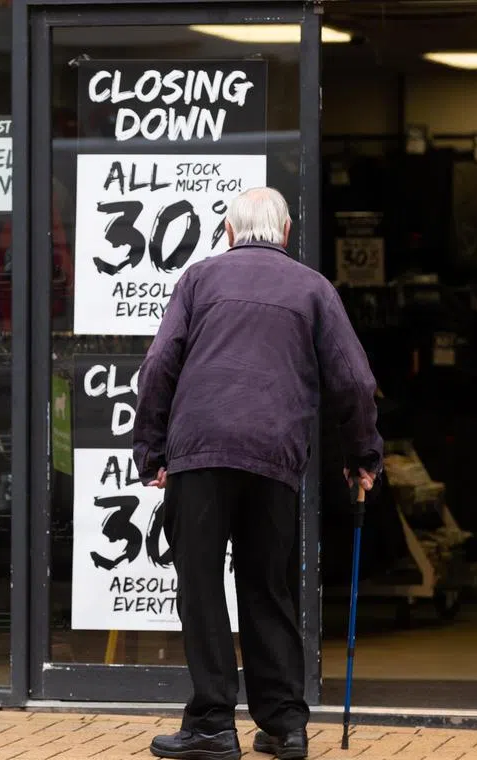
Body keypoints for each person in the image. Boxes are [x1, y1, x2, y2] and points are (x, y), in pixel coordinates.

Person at [133, 187, 382, 760]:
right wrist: (362, 455)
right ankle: (285, 726)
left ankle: (213, 725)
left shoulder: (199, 280)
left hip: (200, 453)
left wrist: (151, 450)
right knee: (269, 588)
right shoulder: (314, 288)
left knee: (201, 588)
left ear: (228, 231)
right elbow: (356, 381)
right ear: (287, 234)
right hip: (274, 457)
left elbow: (159, 365)